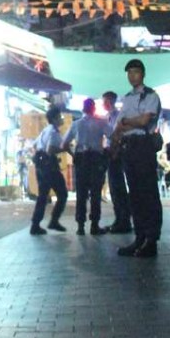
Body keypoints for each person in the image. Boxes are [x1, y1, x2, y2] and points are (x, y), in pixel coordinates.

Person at [110, 59, 162, 258]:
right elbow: (120, 126)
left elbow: (144, 121)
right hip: (129, 147)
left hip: (143, 146)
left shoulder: (151, 96)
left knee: (148, 192)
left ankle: (151, 239)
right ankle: (140, 237)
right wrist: (119, 135)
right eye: (129, 72)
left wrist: (126, 122)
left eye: (136, 72)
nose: (132, 76)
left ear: (143, 74)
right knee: (136, 194)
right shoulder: (128, 98)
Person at [61, 98, 112, 235]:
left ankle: (80, 226)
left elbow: (64, 144)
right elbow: (112, 136)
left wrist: (73, 154)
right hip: (96, 159)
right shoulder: (101, 122)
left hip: (81, 159)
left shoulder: (76, 124)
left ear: (83, 109)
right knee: (95, 193)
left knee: (81, 193)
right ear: (93, 109)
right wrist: (107, 151)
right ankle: (94, 225)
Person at [29, 107, 68, 235]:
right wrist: (64, 149)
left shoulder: (45, 130)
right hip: (50, 168)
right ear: (54, 119)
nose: (62, 118)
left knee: (42, 196)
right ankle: (53, 220)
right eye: (60, 117)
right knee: (62, 194)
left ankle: (36, 224)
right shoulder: (53, 132)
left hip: (41, 167)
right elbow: (50, 150)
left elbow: (34, 146)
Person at [102, 91, 132, 234]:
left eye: (106, 101)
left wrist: (114, 151)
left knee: (118, 187)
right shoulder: (107, 117)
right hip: (110, 153)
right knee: (114, 187)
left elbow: (118, 136)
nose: (104, 104)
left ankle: (123, 220)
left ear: (111, 101)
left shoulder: (117, 116)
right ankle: (119, 218)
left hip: (117, 154)